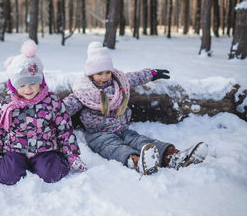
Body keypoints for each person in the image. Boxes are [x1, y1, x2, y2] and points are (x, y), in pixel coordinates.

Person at [63, 42, 208, 175]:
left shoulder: (118, 82)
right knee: (114, 148)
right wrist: (47, 112)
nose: (104, 77)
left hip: (121, 128)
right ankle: (138, 162)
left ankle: (173, 156)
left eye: (107, 72)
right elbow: (65, 107)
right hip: (98, 134)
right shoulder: (84, 91)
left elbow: (136, 77)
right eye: (99, 73)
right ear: (90, 73)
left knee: (141, 141)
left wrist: (152, 74)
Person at [0, 40, 87, 185]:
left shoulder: (52, 102)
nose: (28, 90)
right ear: (14, 86)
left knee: (52, 173)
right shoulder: (7, 105)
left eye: (32, 84)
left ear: (40, 82)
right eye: (22, 85)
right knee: (8, 175)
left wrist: (71, 154)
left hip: (44, 149)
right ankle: (8, 164)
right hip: (14, 149)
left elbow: (64, 130)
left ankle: (47, 164)